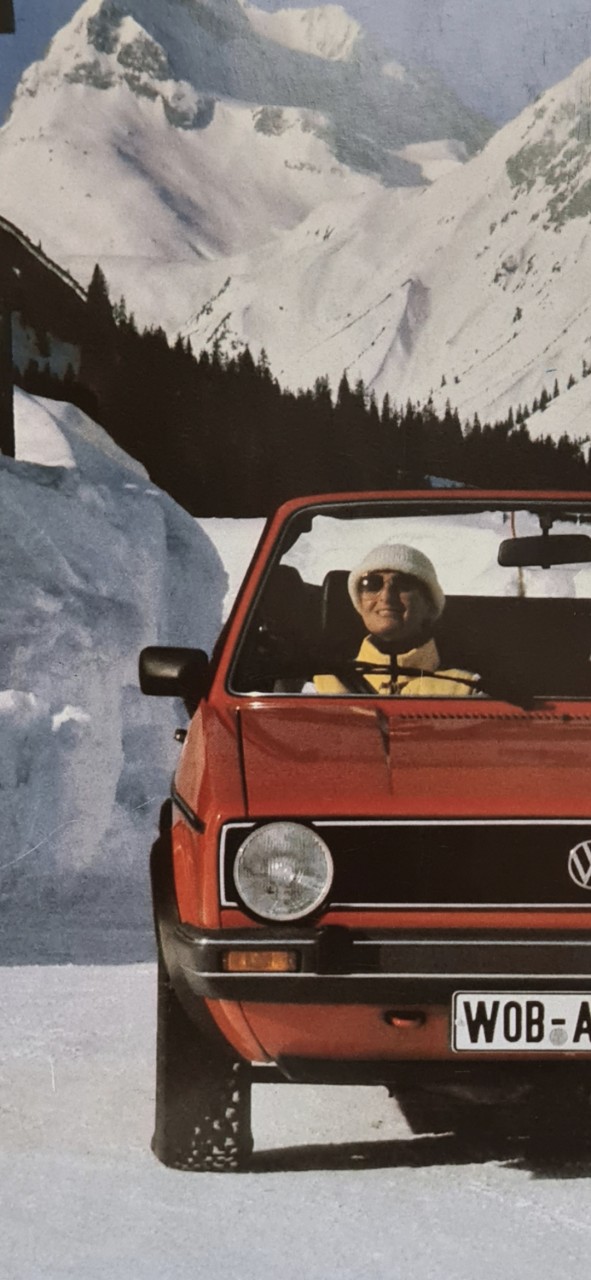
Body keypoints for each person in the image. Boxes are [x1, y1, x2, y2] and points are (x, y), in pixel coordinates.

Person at [313, 543, 479, 696]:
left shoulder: (465, 690)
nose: (386, 596)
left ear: (429, 605)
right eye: (372, 584)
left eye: (404, 584)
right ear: (360, 604)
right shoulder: (320, 687)